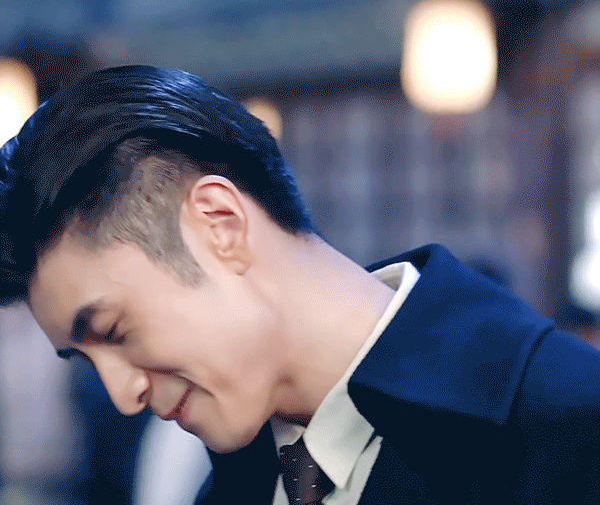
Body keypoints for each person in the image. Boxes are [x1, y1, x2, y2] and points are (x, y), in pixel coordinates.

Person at [0, 65, 598, 505]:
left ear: (219, 224)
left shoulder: (568, 426)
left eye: (114, 331)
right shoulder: (238, 481)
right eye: (86, 358)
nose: (121, 393)